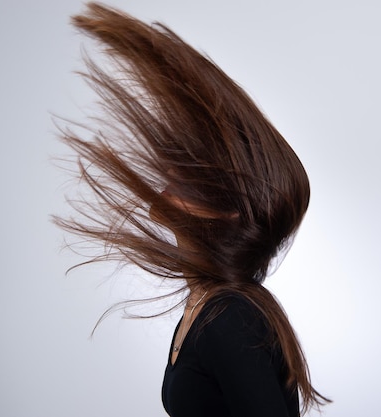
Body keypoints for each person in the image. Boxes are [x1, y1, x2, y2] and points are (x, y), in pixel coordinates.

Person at [56, 3, 330, 416]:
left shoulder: (231, 318)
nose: (163, 188)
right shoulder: (206, 304)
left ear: (226, 212)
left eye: (186, 182)